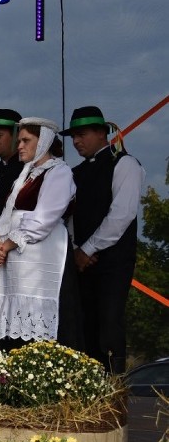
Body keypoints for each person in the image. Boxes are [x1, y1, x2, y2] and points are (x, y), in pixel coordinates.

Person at [0, 118, 76, 349]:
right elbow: (5, 215)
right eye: (19, 140)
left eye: (25, 140)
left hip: (41, 257)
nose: (19, 145)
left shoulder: (59, 172)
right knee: (11, 323)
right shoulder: (25, 174)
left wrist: (8, 244)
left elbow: (44, 218)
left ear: (42, 142)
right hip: (15, 262)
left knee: (39, 323)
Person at [63, 106, 144, 374]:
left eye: (81, 134)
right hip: (82, 263)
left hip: (111, 263)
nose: (75, 141)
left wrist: (88, 248)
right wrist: (76, 249)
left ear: (101, 133)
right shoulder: (74, 173)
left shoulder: (125, 164)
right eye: (73, 136)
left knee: (109, 325)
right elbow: (70, 217)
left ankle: (113, 393)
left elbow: (121, 214)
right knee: (84, 326)